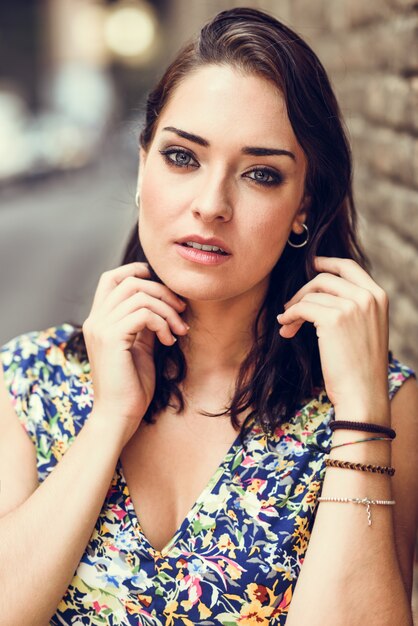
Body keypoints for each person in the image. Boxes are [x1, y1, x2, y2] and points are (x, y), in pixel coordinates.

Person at [0, 7, 417, 625]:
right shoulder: (29, 379)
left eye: (260, 174)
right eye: (182, 158)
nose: (211, 205)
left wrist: (358, 415)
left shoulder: (379, 406)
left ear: (305, 205)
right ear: (143, 165)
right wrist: (110, 419)